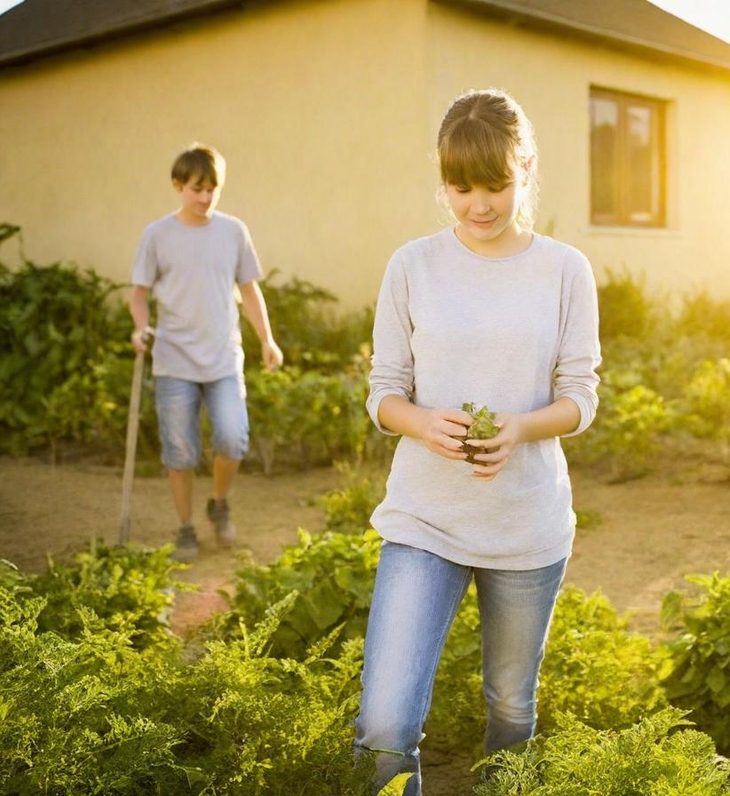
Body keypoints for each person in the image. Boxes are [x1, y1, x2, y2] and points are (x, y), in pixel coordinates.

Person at [354, 89, 601, 794]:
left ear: (526, 170)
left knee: (511, 707)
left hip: (526, 523)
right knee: (384, 725)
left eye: (495, 185)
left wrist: (521, 427)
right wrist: (420, 421)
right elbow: (384, 390)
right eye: (460, 188)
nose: (479, 205)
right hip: (425, 517)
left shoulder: (565, 270)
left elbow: (580, 397)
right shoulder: (411, 266)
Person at [129, 143, 283, 561]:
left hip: (223, 359)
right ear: (177, 185)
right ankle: (185, 528)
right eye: (197, 188)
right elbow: (139, 294)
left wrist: (266, 339)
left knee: (233, 438)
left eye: (212, 188)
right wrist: (141, 328)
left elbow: (249, 290)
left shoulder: (233, 231)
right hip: (174, 361)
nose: (205, 197)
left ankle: (219, 502)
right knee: (180, 452)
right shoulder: (157, 235)